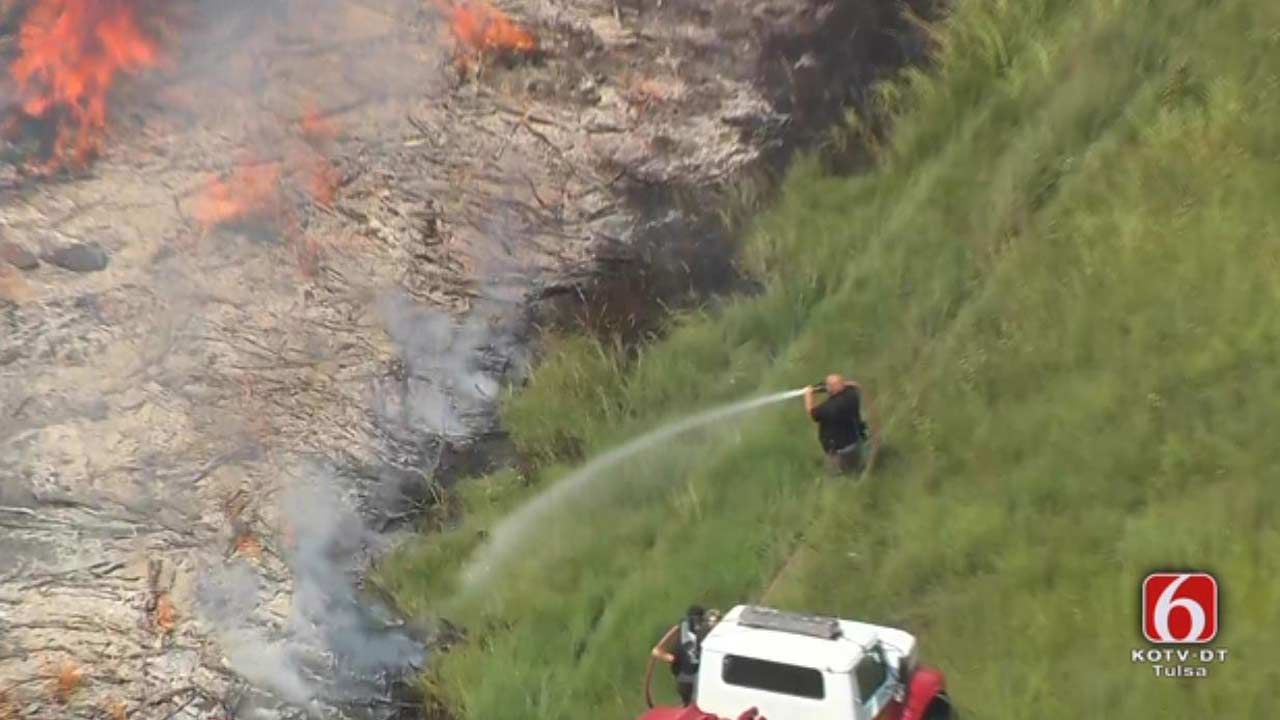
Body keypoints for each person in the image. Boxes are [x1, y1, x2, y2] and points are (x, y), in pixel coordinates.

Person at [804, 373, 874, 473]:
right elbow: (854, 385)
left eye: (827, 385)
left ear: (831, 388)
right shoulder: (852, 395)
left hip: (842, 451)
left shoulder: (829, 408)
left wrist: (808, 396)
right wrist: (834, 385)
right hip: (857, 440)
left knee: (847, 473)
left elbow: (812, 413)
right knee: (861, 465)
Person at [651, 605, 716, 706]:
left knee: (691, 706)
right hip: (703, 680)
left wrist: (657, 652)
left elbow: (670, 658)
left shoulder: (681, 640)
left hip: (685, 682)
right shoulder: (705, 633)